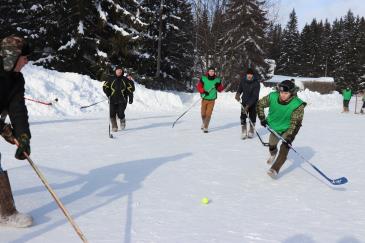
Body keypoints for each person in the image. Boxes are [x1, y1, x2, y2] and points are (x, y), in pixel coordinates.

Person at [0, 35, 33, 227]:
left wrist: (23, 136)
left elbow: (18, 109)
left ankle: (7, 212)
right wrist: (4, 130)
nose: (27, 62)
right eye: (25, 57)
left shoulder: (16, 79)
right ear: (12, 56)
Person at [257, 80, 306, 178]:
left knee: (284, 147)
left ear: (291, 92)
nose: (282, 95)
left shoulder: (297, 105)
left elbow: (295, 123)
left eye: (286, 93)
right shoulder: (273, 96)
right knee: (272, 143)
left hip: (289, 128)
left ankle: (274, 169)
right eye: (281, 92)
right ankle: (273, 153)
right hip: (275, 126)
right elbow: (260, 104)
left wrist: (290, 137)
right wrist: (262, 118)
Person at [103, 65, 135, 132]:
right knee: (112, 113)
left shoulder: (125, 79)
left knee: (120, 113)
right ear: (115, 71)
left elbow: (131, 88)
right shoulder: (111, 78)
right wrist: (107, 92)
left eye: (120, 70)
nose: (119, 71)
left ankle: (122, 120)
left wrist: (131, 98)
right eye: (118, 70)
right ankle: (114, 126)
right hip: (112, 99)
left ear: (122, 71)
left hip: (122, 100)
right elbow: (105, 86)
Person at [196, 66, 224, 133]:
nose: (211, 72)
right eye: (210, 71)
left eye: (213, 71)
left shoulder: (217, 80)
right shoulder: (204, 78)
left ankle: (206, 127)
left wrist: (218, 86)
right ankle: (204, 122)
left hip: (212, 100)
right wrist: (203, 91)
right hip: (204, 98)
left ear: (214, 72)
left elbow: (221, 89)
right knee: (203, 114)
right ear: (208, 72)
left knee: (208, 114)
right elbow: (199, 87)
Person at [235, 68, 260, 139]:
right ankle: (244, 130)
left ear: (252, 75)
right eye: (248, 74)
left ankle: (251, 130)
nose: (249, 75)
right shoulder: (243, 81)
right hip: (244, 102)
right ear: (246, 74)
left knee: (252, 117)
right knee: (243, 116)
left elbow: (255, 96)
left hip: (253, 103)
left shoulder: (256, 83)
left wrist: (248, 105)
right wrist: (238, 94)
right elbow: (240, 88)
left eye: (251, 74)